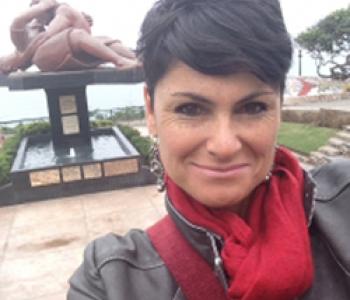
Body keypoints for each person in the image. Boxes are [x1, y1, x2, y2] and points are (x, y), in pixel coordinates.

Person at [68, 0, 350, 299]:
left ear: (280, 106)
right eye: (190, 109)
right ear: (151, 111)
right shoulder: (111, 280)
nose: (224, 145)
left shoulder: (343, 207)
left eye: (253, 107)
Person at [0, 0, 138, 74]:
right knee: (76, 34)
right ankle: (119, 61)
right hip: (43, 59)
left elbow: (54, 34)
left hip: (51, 56)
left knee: (104, 41)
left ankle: (137, 58)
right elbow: (18, 21)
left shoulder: (42, 31)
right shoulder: (22, 36)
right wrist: (43, 6)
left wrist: (76, 19)